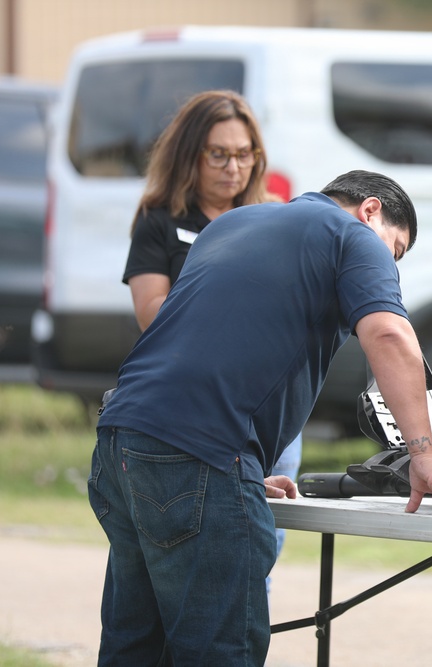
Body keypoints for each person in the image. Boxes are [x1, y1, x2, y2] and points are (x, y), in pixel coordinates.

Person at [91, 169, 432, 666]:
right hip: (199, 452)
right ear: (371, 211)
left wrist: (240, 471)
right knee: (219, 652)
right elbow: (389, 336)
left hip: (122, 440)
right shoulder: (356, 238)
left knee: (133, 648)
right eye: (396, 251)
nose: (390, 262)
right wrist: (423, 454)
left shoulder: (231, 224)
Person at [121, 89, 302, 597]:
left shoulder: (275, 219)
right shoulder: (160, 220)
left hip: (267, 410)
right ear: (189, 156)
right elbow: (152, 317)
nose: (233, 167)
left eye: (245, 155)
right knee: (186, 560)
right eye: (218, 154)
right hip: (192, 414)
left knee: (255, 559)